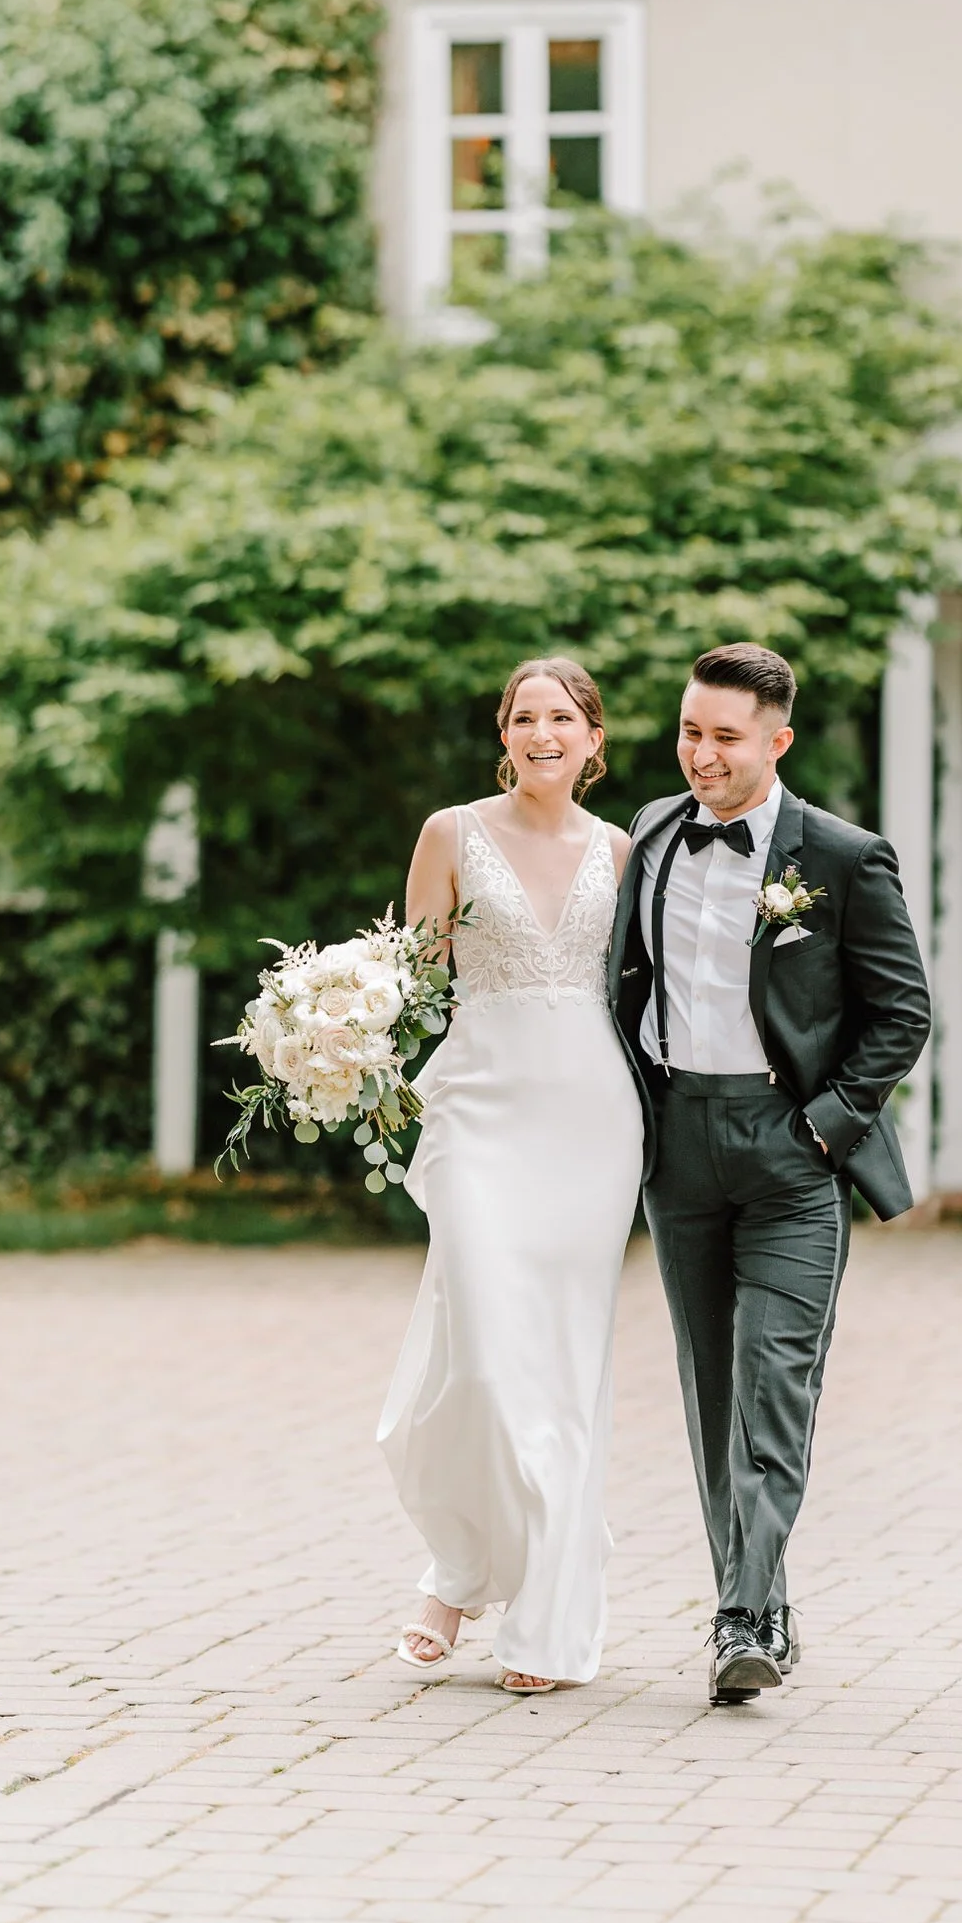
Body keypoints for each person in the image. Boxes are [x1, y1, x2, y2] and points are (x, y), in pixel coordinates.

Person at [607, 642, 931, 1705]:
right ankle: (757, 1606)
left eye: (725, 738)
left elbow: (902, 1014)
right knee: (711, 1392)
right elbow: (625, 981)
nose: (701, 754)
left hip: (791, 1155)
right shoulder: (654, 832)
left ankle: (743, 1617)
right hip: (679, 1150)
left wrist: (826, 1128)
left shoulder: (842, 856)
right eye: (691, 732)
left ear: (778, 741)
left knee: (772, 1384)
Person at [378, 657, 643, 1693]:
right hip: (479, 1112)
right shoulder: (451, 833)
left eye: (563, 717)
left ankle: (545, 1622)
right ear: (505, 733)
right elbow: (408, 980)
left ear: (591, 739)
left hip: (590, 1119)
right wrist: (334, 1032)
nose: (544, 732)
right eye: (526, 716)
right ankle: (459, 1564)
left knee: (565, 1371)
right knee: (486, 1360)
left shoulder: (621, 850)